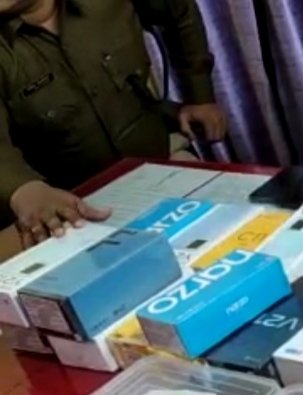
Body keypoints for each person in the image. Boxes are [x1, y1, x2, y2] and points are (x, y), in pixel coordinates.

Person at [0, 0, 226, 246]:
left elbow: (178, 10)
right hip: (76, 213)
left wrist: (199, 94)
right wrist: (22, 189)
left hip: (162, 162)